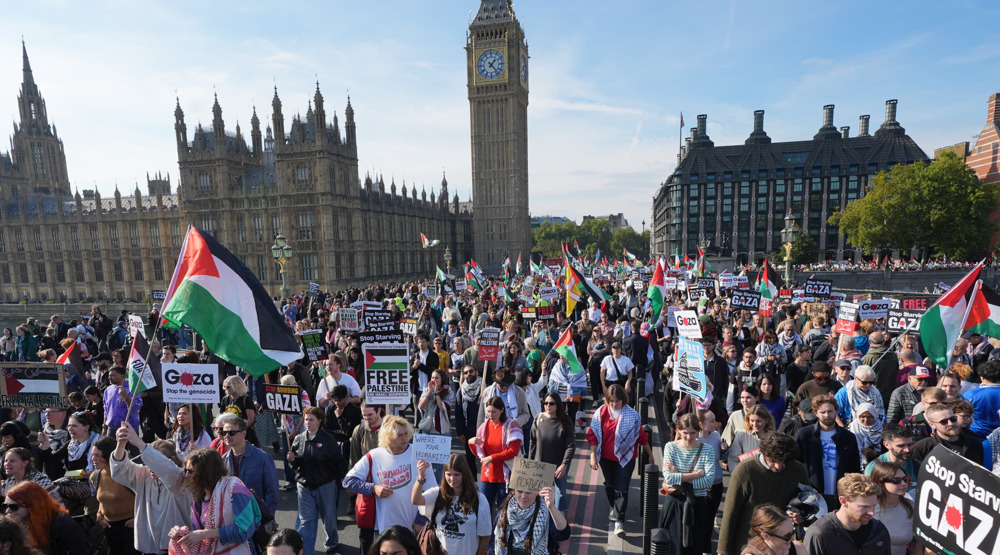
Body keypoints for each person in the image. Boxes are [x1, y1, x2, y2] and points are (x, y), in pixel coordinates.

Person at [343, 416, 438, 537]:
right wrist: (373, 488)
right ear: (387, 438)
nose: (405, 438)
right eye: (399, 435)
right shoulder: (374, 456)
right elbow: (348, 481)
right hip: (383, 529)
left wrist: (421, 520)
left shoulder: (419, 455)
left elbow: (433, 492)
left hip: (414, 528)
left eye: (406, 434)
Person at [718, 432, 810, 555]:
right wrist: (723, 551)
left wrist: (802, 515)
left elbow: (808, 501)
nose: (778, 466)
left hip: (783, 545)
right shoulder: (744, 471)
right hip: (749, 545)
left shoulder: (798, 469)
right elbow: (730, 514)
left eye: (784, 462)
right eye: (773, 460)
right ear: (764, 453)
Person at [110, 422, 193, 555]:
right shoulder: (144, 475)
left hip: (176, 548)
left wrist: (139, 442)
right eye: (148, 462)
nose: (151, 467)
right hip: (149, 547)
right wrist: (121, 444)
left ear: (171, 459)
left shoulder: (182, 478)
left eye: (154, 461)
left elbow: (168, 470)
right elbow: (119, 471)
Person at [586, 385, 653, 538]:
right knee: (610, 485)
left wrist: (650, 454)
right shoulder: (601, 413)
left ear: (623, 400)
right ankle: (614, 506)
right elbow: (593, 435)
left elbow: (641, 437)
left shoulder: (633, 415)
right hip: (605, 458)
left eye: (618, 401)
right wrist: (592, 455)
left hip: (626, 459)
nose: (615, 404)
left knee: (622, 489)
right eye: (612, 401)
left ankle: (619, 521)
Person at [167, 448, 261, 555]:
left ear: (206, 472)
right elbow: (197, 531)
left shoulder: (235, 490)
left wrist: (206, 534)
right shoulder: (198, 498)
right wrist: (181, 532)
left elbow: (244, 530)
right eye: (185, 470)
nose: (186, 475)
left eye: (190, 471)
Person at [288, 406, 348, 555]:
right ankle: (307, 551)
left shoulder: (328, 440)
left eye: (311, 419)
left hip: (325, 485)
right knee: (306, 522)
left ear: (319, 421)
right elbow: (295, 464)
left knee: (329, 518)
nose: (307, 422)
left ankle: (332, 541)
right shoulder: (299, 439)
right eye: (306, 419)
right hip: (304, 485)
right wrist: (292, 460)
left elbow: (338, 461)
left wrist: (341, 481)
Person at [410, 454, 491, 555]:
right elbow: (416, 500)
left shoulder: (479, 499)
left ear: (464, 474)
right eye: (449, 474)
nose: (452, 479)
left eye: (457, 474)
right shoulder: (437, 494)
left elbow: (485, 536)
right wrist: (421, 477)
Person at [660, 413, 716, 554]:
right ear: (678, 430)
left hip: (697, 505)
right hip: (675, 503)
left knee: (695, 549)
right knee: (672, 549)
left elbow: (709, 481)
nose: (689, 437)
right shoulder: (671, 447)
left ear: (699, 431)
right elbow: (668, 477)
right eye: (685, 433)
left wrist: (678, 473)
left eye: (693, 433)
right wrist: (696, 475)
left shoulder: (707, 450)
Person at [794, 394, 861, 507]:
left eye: (830, 411)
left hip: (840, 494)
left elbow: (854, 468)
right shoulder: (804, 435)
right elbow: (795, 465)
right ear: (816, 413)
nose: (827, 415)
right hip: (812, 493)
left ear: (836, 411)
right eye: (822, 412)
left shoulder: (848, 437)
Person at [803, 474, 891, 555]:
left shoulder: (879, 530)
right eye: (864, 507)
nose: (872, 512)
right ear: (843, 501)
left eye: (874, 506)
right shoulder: (820, 533)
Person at [218, 413, 279, 517]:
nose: (227, 436)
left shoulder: (263, 458)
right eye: (224, 432)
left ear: (243, 433)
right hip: (232, 516)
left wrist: (267, 517)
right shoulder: (223, 460)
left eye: (231, 432)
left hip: (256, 515)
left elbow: (272, 492)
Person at [469, 397, 523, 514]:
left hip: (506, 476)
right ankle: (486, 532)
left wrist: (492, 458)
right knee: (483, 509)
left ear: (502, 410)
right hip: (487, 475)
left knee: (504, 511)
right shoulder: (484, 426)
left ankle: (501, 532)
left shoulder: (512, 425)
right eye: (488, 411)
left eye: (494, 412)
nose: (490, 415)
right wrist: (471, 444)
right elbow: (480, 454)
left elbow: (513, 451)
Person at [4, 481, 87, 555]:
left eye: (13, 506)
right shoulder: (11, 526)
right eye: (5, 506)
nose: (7, 511)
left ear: (33, 506)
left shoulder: (64, 527)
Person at [89, 437, 140, 555]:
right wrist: (99, 516)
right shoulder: (96, 476)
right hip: (110, 528)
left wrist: (138, 519)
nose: (93, 459)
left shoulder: (128, 474)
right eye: (92, 455)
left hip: (131, 527)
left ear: (108, 455)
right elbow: (102, 500)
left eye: (97, 455)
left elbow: (145, 498)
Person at [528, 393, 575, 512]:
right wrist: (530, 462)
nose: (548, 405)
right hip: (541, 464)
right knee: (542, 491)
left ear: (558, 405)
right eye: (545, 403)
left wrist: (564, 465)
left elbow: (570, 446)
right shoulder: (538, 419)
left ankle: (559, 515)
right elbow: (532, 442)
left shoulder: (565, 421)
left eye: (551, 403)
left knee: (560, 491)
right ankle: (543, 514)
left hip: (559, 464)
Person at [491, 487, 570, 555]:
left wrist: (551, 507)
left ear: (537, 492)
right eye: (520, 491)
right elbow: (493, 545)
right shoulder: (504, 512)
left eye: (529, 492)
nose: (523, 496)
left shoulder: (544, 512)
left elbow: (563, 534)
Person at [869, 462, 920, 555]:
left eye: (905, 479)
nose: (904, 484)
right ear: (879, 482)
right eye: (896, 480)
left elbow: (916, 544)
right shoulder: (868, 507)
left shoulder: (911, 507)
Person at [911, 403, 985, 464]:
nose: (951, 424)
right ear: (932, 425)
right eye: (944, 421)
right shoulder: (922, 447)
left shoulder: (974, 443)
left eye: (953, 419)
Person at [37, 411, 101, 477]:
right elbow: (51, 460)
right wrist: (45, 445)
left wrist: (91, 474)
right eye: (69, 426)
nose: (70, 429)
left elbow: (105, 469)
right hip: (73, 481)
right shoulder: (71, 444)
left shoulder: (99, 443)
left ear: (86, 427)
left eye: (74, 426)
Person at [863, 425, 918, 491]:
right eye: (901, 446)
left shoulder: (917, 466)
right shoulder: (874, 468)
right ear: (887, 445)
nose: (907, 450)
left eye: (910, 445)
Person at [739, 504, 804, 555]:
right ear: (766, 536)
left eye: (793, 532)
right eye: (787, 536)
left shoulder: (797, 548)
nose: (793, 539)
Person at [727, 405, 775, 471]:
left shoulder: (774, 437)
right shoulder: (741, 435)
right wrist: (737, 477)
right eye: (752, 421)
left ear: (766, 420)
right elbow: (733, 459)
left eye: (759, 421)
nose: (755, 424)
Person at [454, 365, 483, 475]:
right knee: (470, 458)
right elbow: (458, 413)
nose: (469, 374)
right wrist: (460, 432)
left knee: (485, 457)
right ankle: (473, 483)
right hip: (468, 430)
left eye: (471, 371)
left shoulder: (484, 388)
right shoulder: (461, 391)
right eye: (466, 372)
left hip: (484, 429)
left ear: (476, 372)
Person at [962, 358, 1000, 439]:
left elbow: (962, 416)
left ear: (981, 377)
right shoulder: (971, 394)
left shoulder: (971, 394)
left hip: (977, 436)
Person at [102, 365, 141, 435]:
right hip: (112, 428)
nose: (109, 378)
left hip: (129, 428)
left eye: (113, 375)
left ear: (122, 376)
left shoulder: (132, 388)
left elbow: (136, 408)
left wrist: (126, 397)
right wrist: (104, 427)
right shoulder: (108, 390)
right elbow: (106, 409)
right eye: (109, 375)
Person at [220, 375, 259, 446]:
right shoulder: (225, 399)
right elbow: (221, 418)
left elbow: (250, 419)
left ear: (236, 386)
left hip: (244, 435)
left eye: (228, 387)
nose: (225, 389)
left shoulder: (245, 399)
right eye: (224, 386)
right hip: (229, 435)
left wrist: (238, 432)